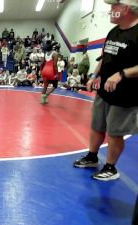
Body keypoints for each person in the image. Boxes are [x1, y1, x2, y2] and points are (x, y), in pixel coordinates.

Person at [74, 0, 138, 181]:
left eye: (114, 7)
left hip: (126, 94)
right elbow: (104, 57)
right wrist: (95, 76)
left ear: (125, 8)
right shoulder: (113, 31)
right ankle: (92, 157)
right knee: (97, 125)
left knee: (115, 131)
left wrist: (122, 74)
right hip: (104, 90)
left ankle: (111, 167)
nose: (110, 10)